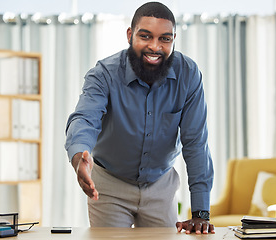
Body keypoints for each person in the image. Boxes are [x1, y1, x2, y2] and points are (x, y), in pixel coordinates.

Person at [65, 1, 214, 234]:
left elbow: (196, 142)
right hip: (110, 184)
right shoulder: (104, 74)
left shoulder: (189, 74)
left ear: (174, 38)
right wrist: (78, 158)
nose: (155, 47)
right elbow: (85, 119)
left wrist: (200, 212)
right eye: (145, 36)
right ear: (129, 35)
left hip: (160, 184)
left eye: (165, 39)